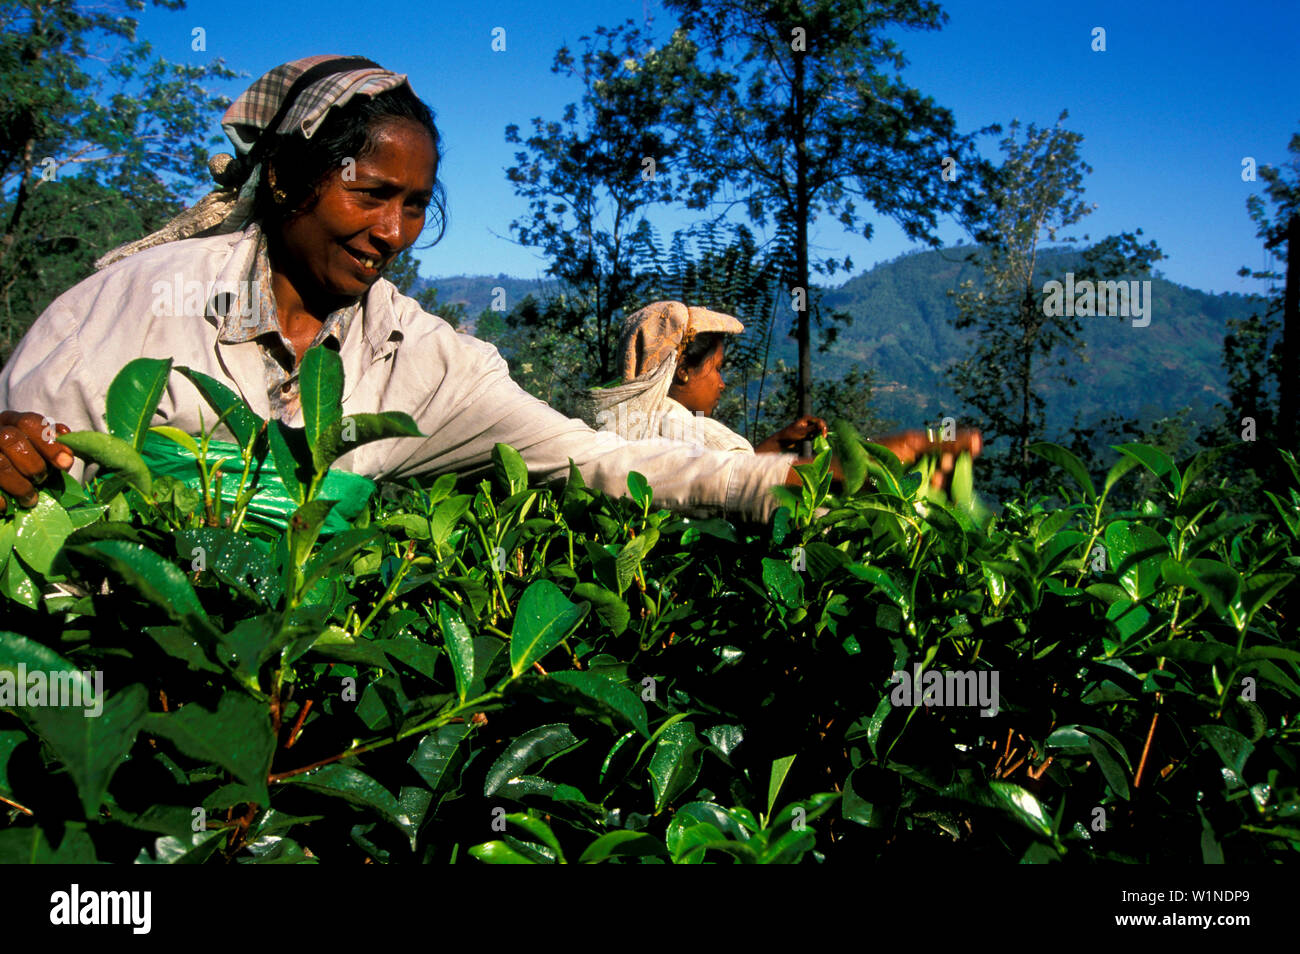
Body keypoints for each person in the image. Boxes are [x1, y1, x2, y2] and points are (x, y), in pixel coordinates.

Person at [0, 55, 977, 521]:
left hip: (275, 704)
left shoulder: (418, 363)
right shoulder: (142, 304)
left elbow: (602, 463)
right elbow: (27, 459)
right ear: (292, 180)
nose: (393, 233)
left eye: (416, 205)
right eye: (370, 195)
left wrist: (808, 481)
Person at [582, 300, 829, 455]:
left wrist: (781, 439)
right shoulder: (686, 429)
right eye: (717, 368)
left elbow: (722, 476)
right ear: (683, 371)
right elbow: (741, 478)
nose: (722, 384)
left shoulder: (611, 418)